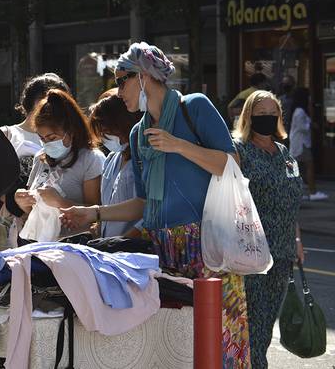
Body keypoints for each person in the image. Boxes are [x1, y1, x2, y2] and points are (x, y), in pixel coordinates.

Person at [61, 42, 251, 368]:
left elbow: (232, 164)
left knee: (220, 341)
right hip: (162, 248)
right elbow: (143, 203)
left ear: (145, 77)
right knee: (174, 345)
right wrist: (93, 213)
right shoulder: (137, 134)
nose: (118, 90)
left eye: (122, 80)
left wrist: (179, 146)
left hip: (206, 245)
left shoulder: (195, 107)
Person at [233, 90, 305, 368]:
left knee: (265, 325)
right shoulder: (239, 150)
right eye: (260, 114)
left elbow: (291, 202)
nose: (267, 118)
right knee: (253, 324)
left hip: (283, 253)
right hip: (253, 252)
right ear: (249, 117)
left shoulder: (285, 154)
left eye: (272, 113)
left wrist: (298, 240)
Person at [14, 89, 104, 221]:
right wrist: (22, 203)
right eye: (42, 139)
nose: (46, 144)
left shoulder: (91, 159)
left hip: (75, 239)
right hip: (40, 237)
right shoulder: (41, 158)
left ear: (71, 131)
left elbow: (96, 212)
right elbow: (32, 211)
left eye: (52, 138)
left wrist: (60, 202)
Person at [0, 73, 71, 219]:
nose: (50, 107)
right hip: (11, 217)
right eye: (46, 100)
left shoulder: (66, 137)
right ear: (31, 102)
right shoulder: (6, 134)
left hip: (53, 218)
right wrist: (19, 205)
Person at [88, 89, 141, 237]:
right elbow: (108, 207)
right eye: (101, 134)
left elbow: (146, 212)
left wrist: (123, 242)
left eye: (107, 131)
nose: (104, 138)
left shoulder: (142, 160)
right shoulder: (111, 159)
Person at [289, 87, 328, 201]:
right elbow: (303, 127)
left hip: (299, 143)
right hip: (301, 144)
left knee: (298, 170)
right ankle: (312, 191)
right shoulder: (300, 112)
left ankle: (296, 192)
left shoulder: (298, 111)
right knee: (309, 166)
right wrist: (311, 124)